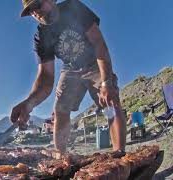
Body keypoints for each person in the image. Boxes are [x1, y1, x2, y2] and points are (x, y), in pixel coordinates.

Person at [10, 0, 127, 154]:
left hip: (94, 64)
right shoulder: (41, 36)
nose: (35, 12)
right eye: (30, 11)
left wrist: (106, 82)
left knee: (110, 102)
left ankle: (120, 156)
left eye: (37, 5)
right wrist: (29, 103)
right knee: (60, 110)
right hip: (70, 70)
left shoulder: (74, 8)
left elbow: (98, 43)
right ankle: (61, 159)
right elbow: (45, 77)